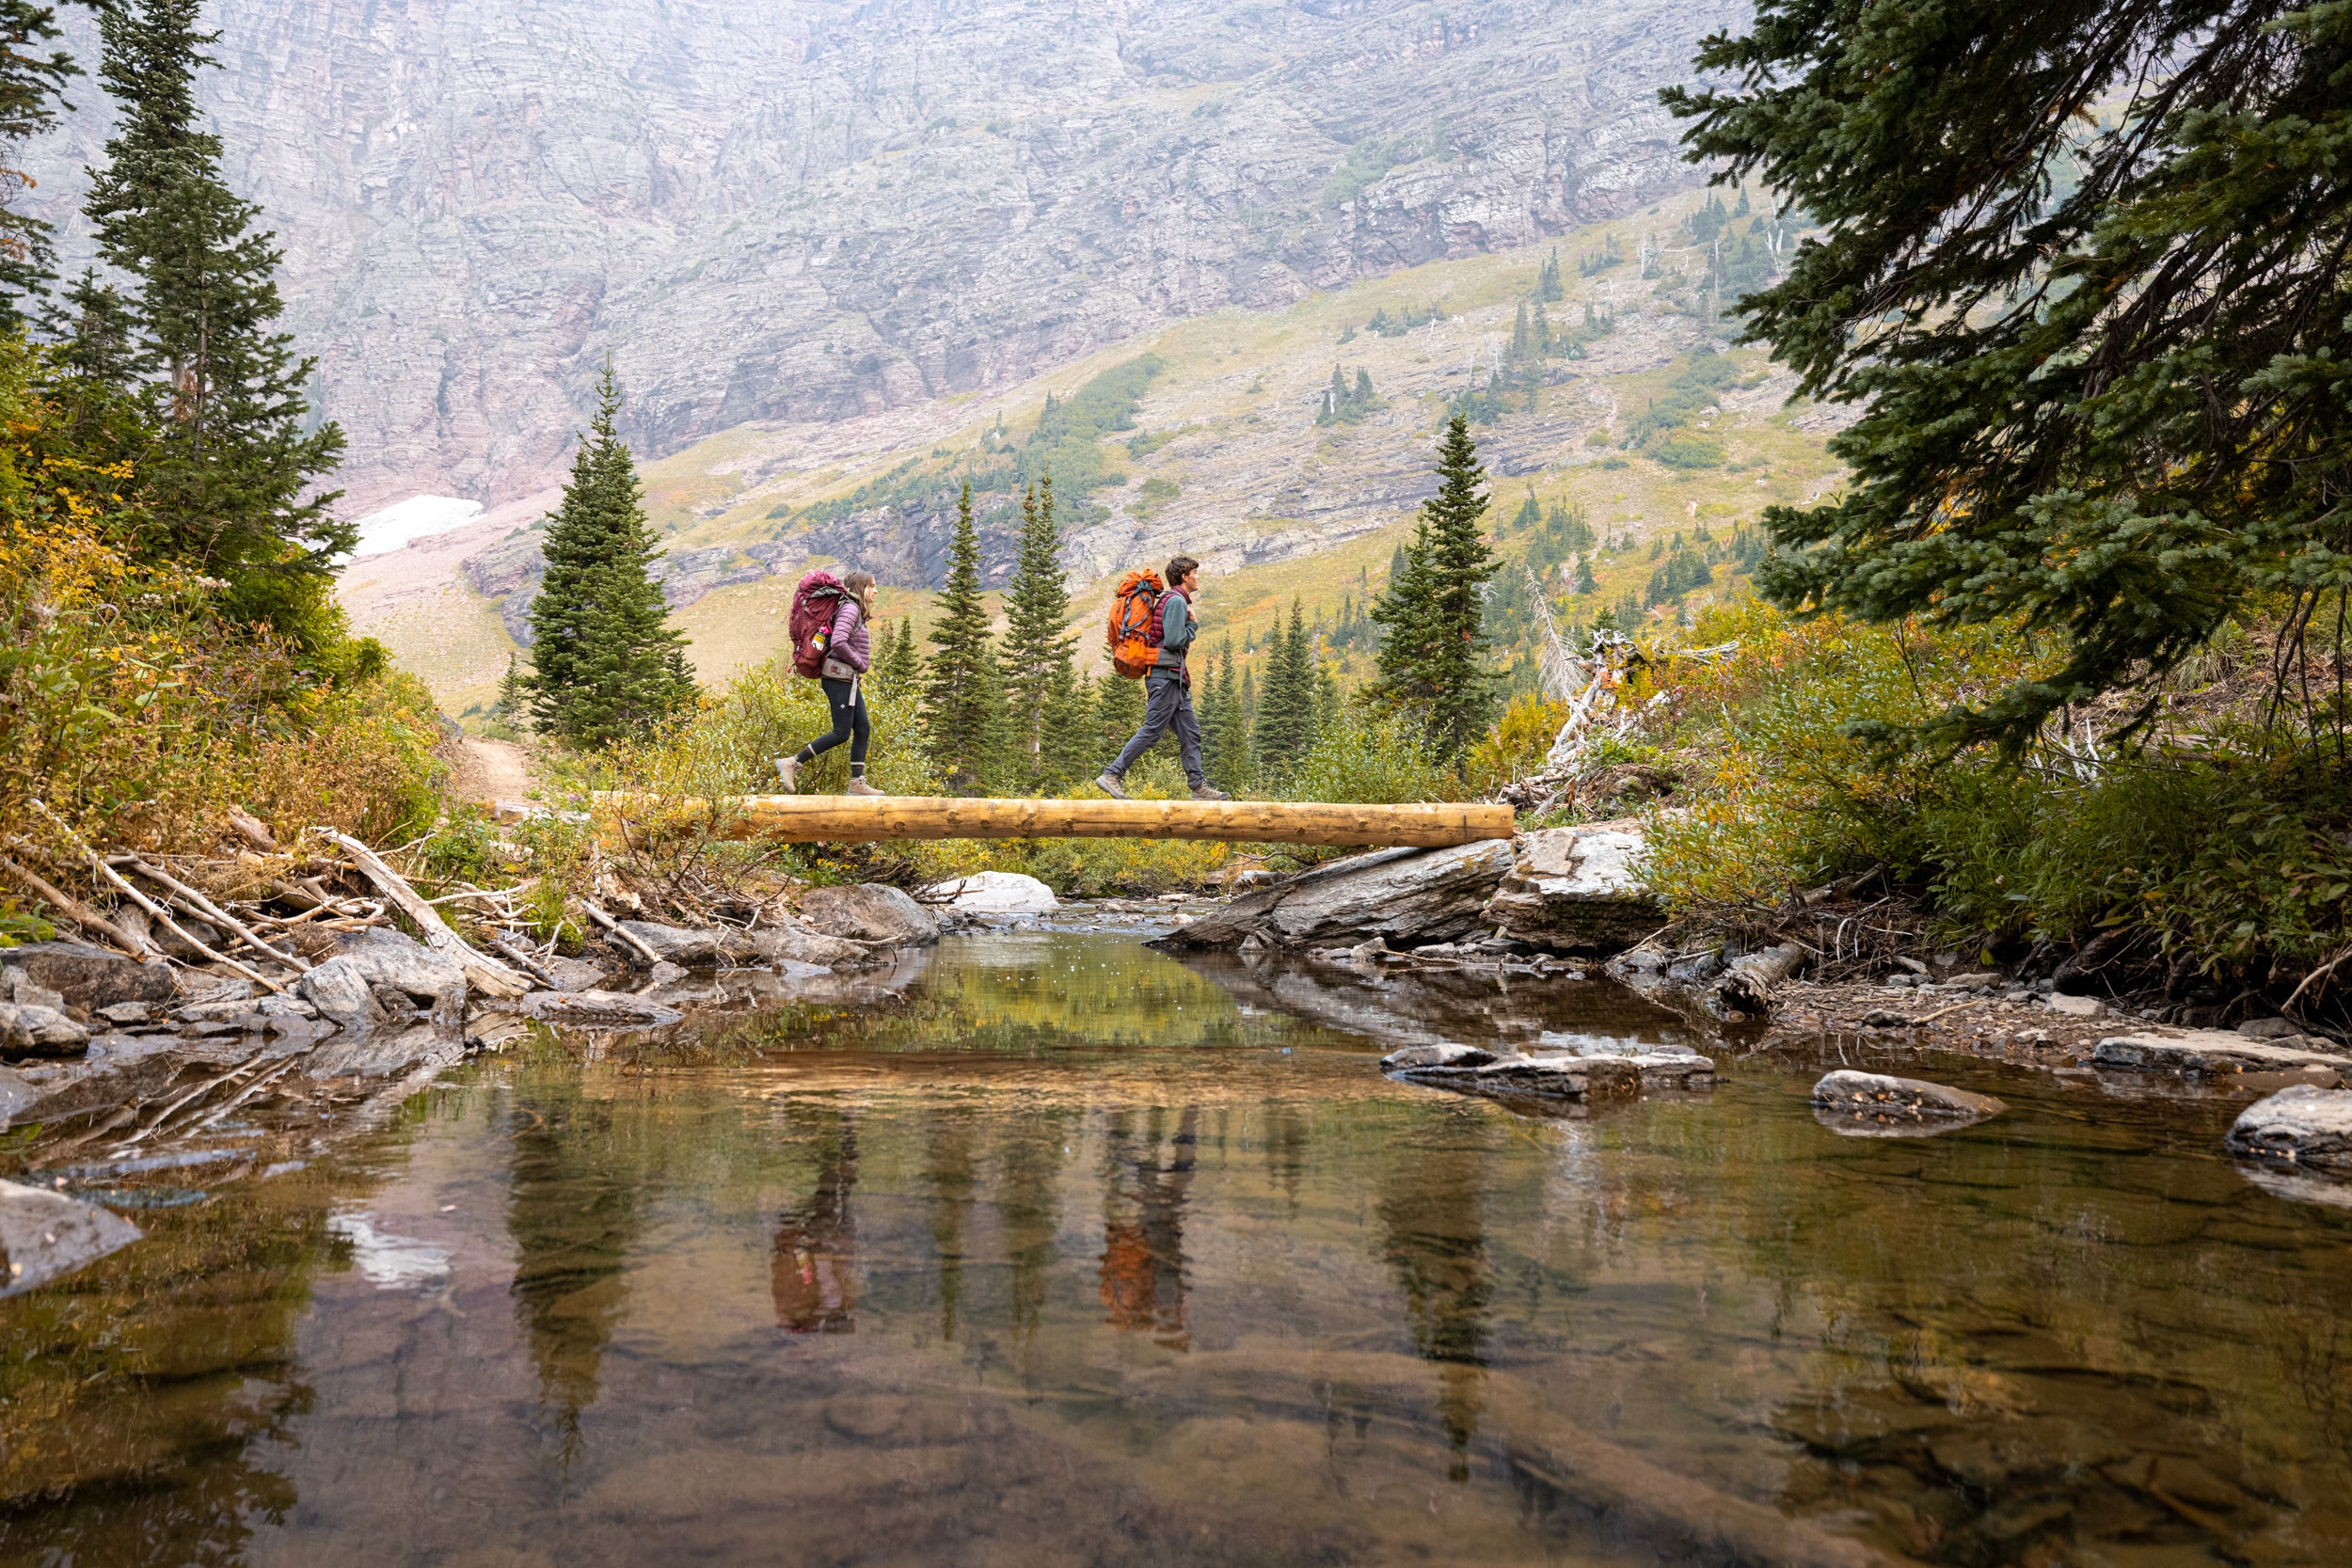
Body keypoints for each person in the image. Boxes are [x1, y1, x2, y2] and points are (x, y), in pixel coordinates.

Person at [1096, 555, 1230, 801]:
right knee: (1152, 730)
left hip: (1174, 680)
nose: (1197, 577)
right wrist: (1193, 627)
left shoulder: (1173, 600)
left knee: (1191, 732)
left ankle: (1198, 787)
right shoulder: (1176, 601)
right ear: (1184, 577)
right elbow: (1175, 640)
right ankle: (1112, 774)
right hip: (1164, 678)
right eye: (1194, 573)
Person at [777, 570, 883, 795]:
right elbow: (838, 642)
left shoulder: (853, 609)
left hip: (846, 678)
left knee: (863, 728)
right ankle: (792, 762)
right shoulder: (851, 608)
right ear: (861, 587)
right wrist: (860, 663)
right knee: (841, 732)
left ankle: (857, 784)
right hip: (838, 677)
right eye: (872, 585)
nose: (876, 590)